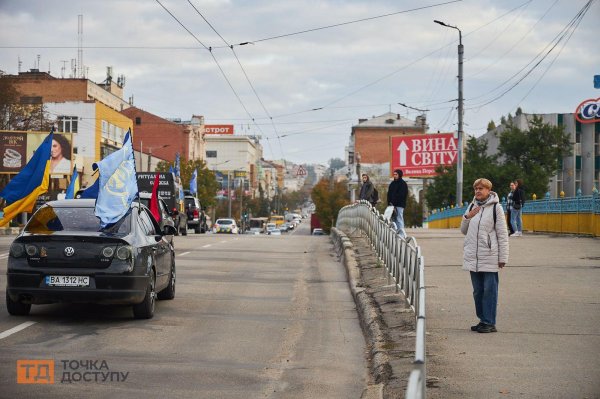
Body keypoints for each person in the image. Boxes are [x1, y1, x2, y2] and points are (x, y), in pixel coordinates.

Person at [461, 178, 509, 333]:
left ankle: (489, 322)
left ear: (489, 190)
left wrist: (503, 257)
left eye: (481, 188)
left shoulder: (496, 208)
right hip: (473, 256)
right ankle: (482, 320)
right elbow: (463, 230)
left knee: (490, 289)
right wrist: (468, 216)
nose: (478, 191)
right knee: (478, 291)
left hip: (489, 255)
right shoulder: (472, 205)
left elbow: (502, 235)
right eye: (476, 188)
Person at [387, 169, 408, 238]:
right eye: (394, 174)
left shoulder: (403, 184)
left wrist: (395, 202)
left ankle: (401, 234)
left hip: (399, 205)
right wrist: (389, 203)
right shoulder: (392, 184)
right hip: (392, 205)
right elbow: (389, 194)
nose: (395, 176)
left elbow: (402, 195)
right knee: (393, 219)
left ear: (399, 175)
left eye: (396, 174)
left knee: (399, 219)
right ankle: (395, 233)